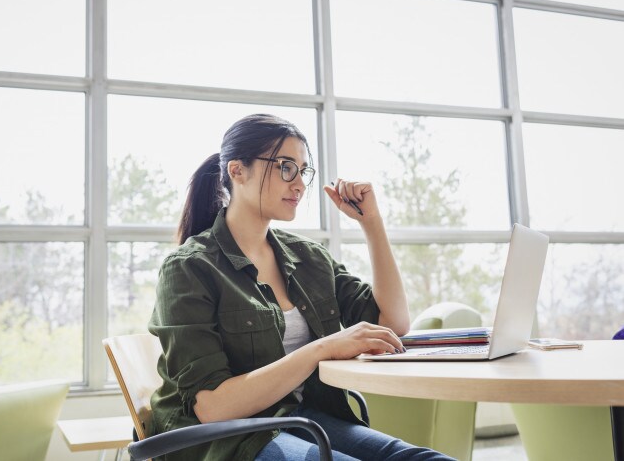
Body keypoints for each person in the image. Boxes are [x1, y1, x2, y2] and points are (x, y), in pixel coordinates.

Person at [148, 113, 455, 460]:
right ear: (237, 171)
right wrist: (322, 348)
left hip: (297, 420)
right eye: (285, 167)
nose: (299, 184)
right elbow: (213, 407)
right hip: (219, 441)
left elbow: (393, 323)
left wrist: (372, 224)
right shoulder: (190, 267)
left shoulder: (307, 258)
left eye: (302, 170)